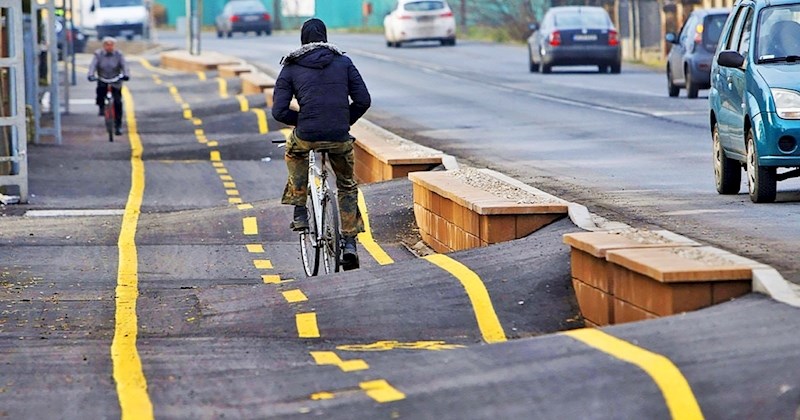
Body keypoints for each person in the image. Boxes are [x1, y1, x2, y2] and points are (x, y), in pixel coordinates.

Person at [272, 18, 371, 271]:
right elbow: (363, 100)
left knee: (294, 153)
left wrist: (302, 121)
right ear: (325, 38)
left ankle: (299, 210)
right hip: (339, 135)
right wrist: (343, 121)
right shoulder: (344, 62)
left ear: (302, 39)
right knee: (347, 185)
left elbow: (279, 111)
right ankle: (349, 243)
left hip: (307, 133)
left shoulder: (291, 66)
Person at [87, 37, 130, 136]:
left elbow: (125, 66)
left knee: (118, 102)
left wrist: (126, 75)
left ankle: (118, 126)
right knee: (100, 91)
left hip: (115, 80)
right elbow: (93, 66)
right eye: (107, 45)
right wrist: (91, 75)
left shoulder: (119, 54)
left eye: (111, 45)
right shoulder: (98, 54)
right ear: (103, 46)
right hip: (103, 78)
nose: (109, 47)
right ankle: (101, 106)